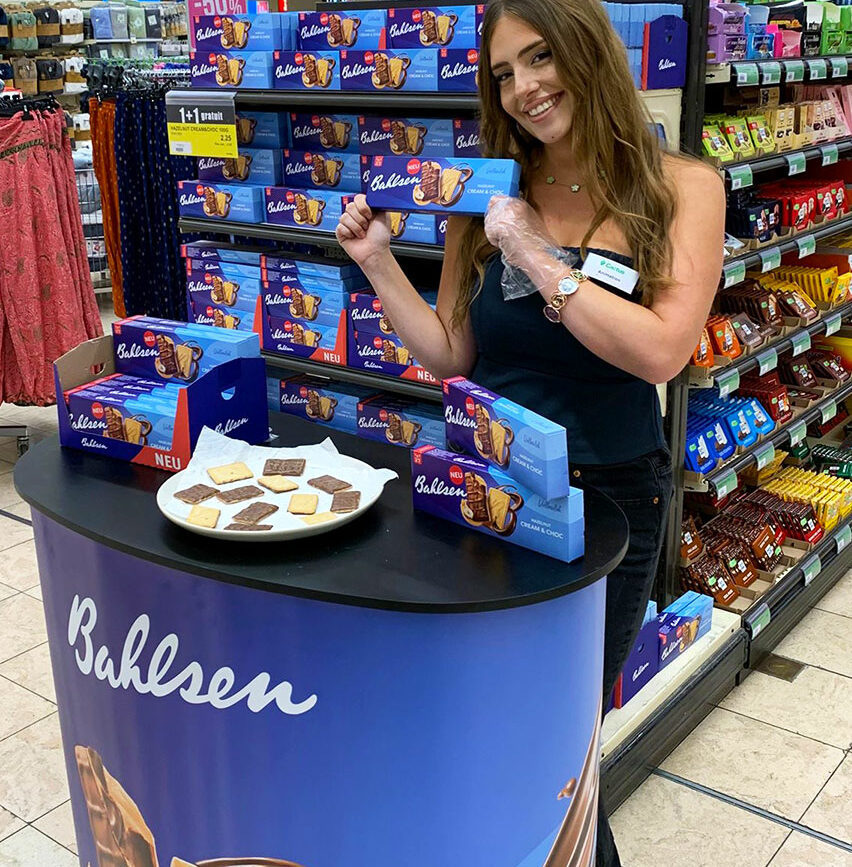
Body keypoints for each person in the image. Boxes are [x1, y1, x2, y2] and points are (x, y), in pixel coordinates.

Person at [336, 0, 725, 862]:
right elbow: (451, 354)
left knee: (559, 738)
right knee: (493, 722)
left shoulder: (681, 186)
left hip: (607, 504)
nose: (524, 88)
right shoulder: (485, 188)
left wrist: (539, 258)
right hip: (488, 490)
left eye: (540, 57)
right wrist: (377, 264)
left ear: (587, 49)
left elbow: (663, 351)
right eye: (504, 73)